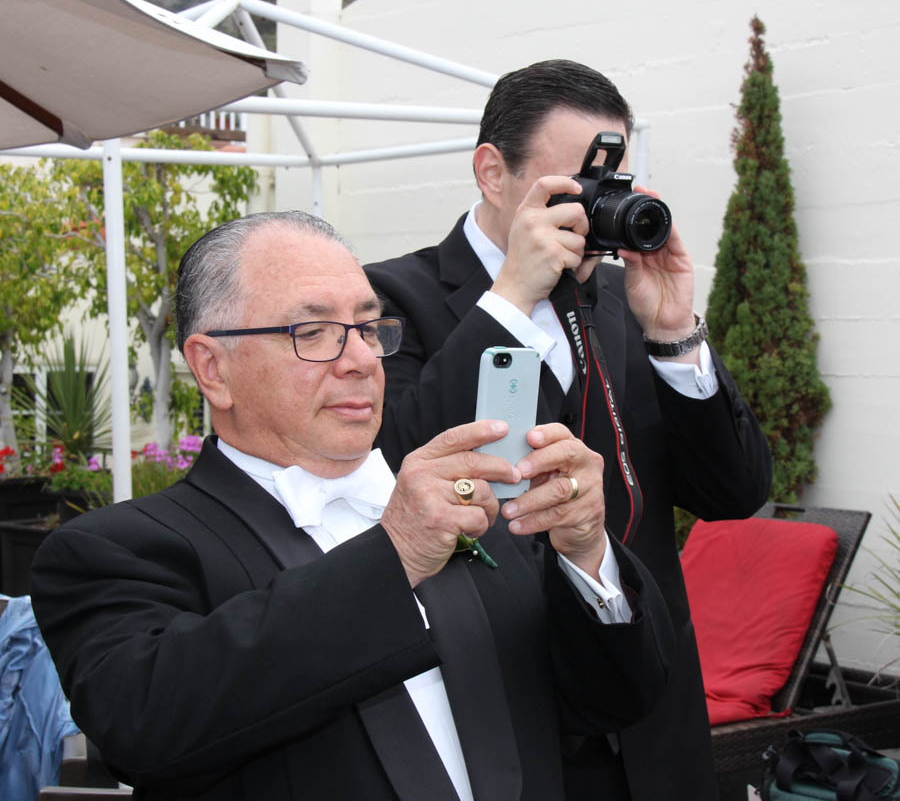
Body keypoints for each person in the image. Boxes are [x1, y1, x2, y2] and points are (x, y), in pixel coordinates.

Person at [30, 210, 674, 801]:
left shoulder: (475, 507)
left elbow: (612, 701)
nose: (362, 360)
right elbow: (143, 726)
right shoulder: (118, 548)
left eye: (367, 328)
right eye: (313, 333)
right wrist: (392, 560)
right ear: (212, 368)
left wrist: (588, 558)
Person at [365, 59, 773, 800]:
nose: (592, 211)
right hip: (512, 723)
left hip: (653, 717)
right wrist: (515, 298)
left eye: (608, 191)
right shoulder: (393, 296)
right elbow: (399, 463)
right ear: (493, 173)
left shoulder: (626, 300)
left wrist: (678, 335)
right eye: (571, 188)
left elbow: (736, 492)